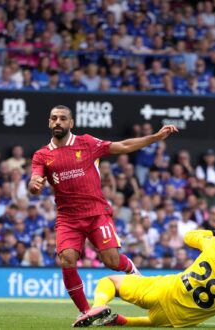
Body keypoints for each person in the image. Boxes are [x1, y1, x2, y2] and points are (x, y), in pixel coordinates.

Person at [28, 105, 178, 323]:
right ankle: (87, 312)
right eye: (54, 118)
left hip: (96, 213)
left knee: (111, 260)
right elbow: (34, 180)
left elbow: (124, 145)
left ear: (71, 123)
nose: (58, 122)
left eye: (62, 118)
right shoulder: (42, 155)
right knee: (67, 259)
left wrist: (155, 137)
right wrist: (34, 185)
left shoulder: (87, 143)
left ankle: (138, 277)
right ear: (49, 123)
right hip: (68, 218)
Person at [75, 228, 215, 328]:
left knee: (109, 282)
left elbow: (189, 236)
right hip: (180, 319)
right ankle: (125, 322)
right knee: (155, 322)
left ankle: (99, 306)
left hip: (164, 290)